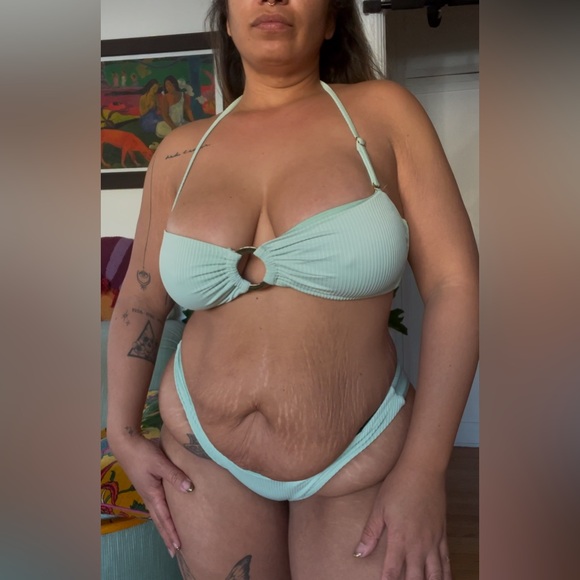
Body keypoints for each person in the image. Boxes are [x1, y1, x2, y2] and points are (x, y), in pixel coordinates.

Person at [106, 1, 479, 579]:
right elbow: (140, 299)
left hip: (361, 456)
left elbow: (456, 284)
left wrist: (425, 470)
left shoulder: (384, 114)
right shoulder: (178, 153)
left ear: (330, 20)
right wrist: (123, 432)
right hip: (203, 457)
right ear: (227, 20)